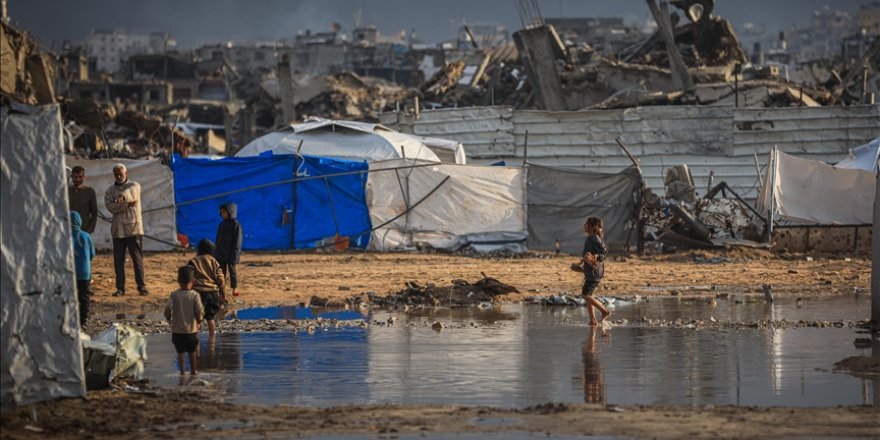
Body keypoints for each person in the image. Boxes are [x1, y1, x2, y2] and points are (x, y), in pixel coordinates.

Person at [104, 164, 149, 296]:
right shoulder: (110, 191)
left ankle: (141, 286)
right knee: (118, 262)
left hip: (133, 229)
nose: (118, 176)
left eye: (120, 174)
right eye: (116, 174)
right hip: (118, 230)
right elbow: (110, 207)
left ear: (126, 173)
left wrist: (122, 199)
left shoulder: (134, 186)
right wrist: (126, 205)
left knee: (137, 259)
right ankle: (120, 288)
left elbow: (132, 194)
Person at [571, 216, 611, 326]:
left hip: (595, 271)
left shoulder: (595, 238)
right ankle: (593, 320)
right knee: (589, 296)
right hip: (590, 271)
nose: (585, 226)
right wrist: (581, 263)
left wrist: (596, 257)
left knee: (585, 295)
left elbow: (603, 253)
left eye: (587, 224)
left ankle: (604, 311)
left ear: (593, 226)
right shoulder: (589, 238)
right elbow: (587, 254)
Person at [164, 266, 204, 376]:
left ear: (178, 281)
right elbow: (199, 311)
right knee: (192, 351)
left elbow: (168, 308)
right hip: (191, 329)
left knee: (180, 352)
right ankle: (193, 371)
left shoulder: (174, 295)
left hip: (177, 330)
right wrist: (199, 320)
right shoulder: (195, 295)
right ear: (193, 281)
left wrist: (168, 318)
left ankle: (181, 372)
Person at [188, 239, 225, 338]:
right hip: (213, 293)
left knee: (197, 319)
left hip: (198, 293)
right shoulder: (213, 261)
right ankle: (212, 340)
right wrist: (222, 292)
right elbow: (220, 279)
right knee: (210, 318)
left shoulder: (193, 261)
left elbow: (189, 277)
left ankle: (195, 340)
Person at [71, 211, 96, 325]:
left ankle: (72, 318)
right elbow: (92, 254)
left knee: (71, 296)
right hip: (85, 273)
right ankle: (83, 319)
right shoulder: (86, 236)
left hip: (70, 273)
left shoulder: (65, 237)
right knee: (84, 296)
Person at [214, 203, 242, 296]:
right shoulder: (221, 225)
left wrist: (235, 255)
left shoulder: (235, 225)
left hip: (231, 254)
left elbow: (237, 242)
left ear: (230, 212)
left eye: (224, 212)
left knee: (232, 271)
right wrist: (216, 253)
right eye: (221, 213)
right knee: (221, 273)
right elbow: (218, 240)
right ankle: (222, 289)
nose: (223, 215)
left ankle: (234, 289)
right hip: (221, 253)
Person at [68, 166, 98, 234]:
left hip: (84, 230)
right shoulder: (66, 191)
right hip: (69, 230)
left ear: (84, 177)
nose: (77, 179)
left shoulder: (90, 191)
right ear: (71, 177)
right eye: (75, 177)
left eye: (80, 177)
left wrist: (91, 229)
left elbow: (94, 212)